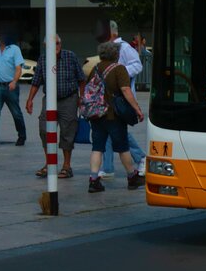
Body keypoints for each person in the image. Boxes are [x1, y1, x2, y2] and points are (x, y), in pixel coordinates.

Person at [86, 41, 145, 193]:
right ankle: (132, 177)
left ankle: (93, 180)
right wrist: (137, 109)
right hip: (114, 116)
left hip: (96, 115)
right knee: (122, 147)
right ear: (116, 54)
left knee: (97, 148)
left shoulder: (96, 68)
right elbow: (126, 90)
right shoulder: (119, 69)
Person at [25, 35, 86, 179]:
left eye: (57, 43)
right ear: (46, 47)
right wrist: (30, 99)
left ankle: (66, 166)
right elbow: (36, 81)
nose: (56, 46)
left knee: (67, 132)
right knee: (44, 129)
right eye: (52, 44)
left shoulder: (70, 56)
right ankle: (49, 163)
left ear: (61, 43)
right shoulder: (43, 59)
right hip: (49, 99)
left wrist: (81, 97)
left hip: (68, 99)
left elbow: (81, 79)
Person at [99, 20, 147, 178]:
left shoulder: (124, 47)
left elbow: (137, 65)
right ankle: (108, 167)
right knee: (108, 129)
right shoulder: (108, 48)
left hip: (120, 97)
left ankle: (140, 157)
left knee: (116, 130)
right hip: (108, 97)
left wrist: (119, 72)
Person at [0, 34, 27, 149]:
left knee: (16, 113)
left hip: (10, 87)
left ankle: (22, 136)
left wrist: (14, 81)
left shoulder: (15, 49)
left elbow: (18, 68)